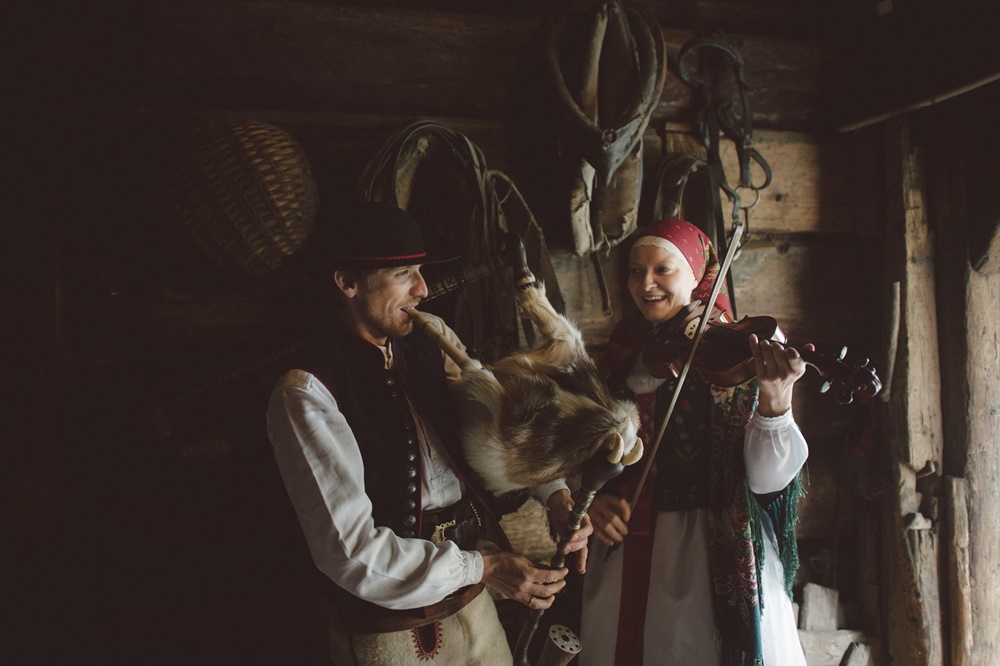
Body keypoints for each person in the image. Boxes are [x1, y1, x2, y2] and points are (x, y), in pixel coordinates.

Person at [266, 201, 591, 665]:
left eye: (420, 271)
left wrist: (554, 493)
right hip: (391, 630)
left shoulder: (431, 338)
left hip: (474, 601)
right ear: (348, 282)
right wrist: (483, 568)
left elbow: (498, 425)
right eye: (403, 274)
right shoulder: (307, 392)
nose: (422, 289)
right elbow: (351, 555)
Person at [579, 218, 810, 665]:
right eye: (635, 271)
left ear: (697, 274)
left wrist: (776, 401)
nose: (645, 284)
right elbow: (586, 451)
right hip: (626, 547)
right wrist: (594, 498)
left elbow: (766, 482)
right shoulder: (625, 355)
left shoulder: (739, 353)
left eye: (662, 269)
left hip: (710, 544)